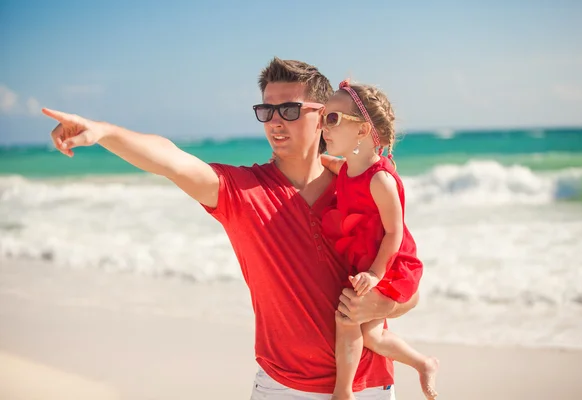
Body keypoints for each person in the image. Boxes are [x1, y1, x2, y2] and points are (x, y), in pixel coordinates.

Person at [42, 57, 419, 399]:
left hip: (369, 389)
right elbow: (172, 160)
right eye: (266, 110)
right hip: (281, 390)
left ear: (324, 116)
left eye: (288, 109)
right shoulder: (241, 192)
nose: (275, 121)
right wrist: (104, 132)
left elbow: (409, 283)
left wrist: (385, 303)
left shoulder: (362, 188)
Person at [319, 80, 439, 400]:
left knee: (347, 318)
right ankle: (423, 363)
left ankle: (343, 391)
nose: (323, 126)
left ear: (361, 132)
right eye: (322, 118)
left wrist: (375, 273)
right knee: (370, 335)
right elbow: (335, 166)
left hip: (389, 262)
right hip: (366, 256)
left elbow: (394, 232)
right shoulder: (348, 167)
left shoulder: (380, 180)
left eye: (332, 119)